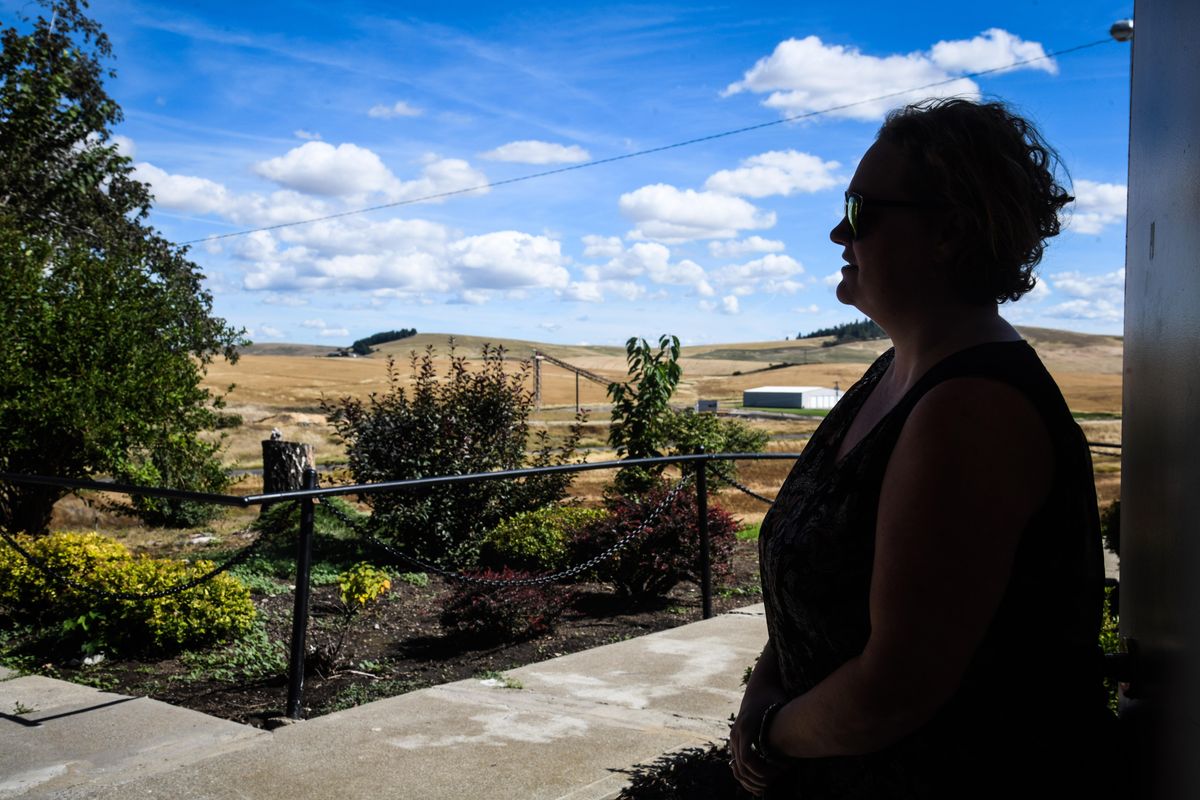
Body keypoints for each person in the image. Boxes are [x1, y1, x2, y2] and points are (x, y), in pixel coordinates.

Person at [729, 98, 1112, 798]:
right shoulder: (900, 370)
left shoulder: (971, 409)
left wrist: (767, 734)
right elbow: (824, 595)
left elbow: (896, 688)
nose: (838, 231)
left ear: (950, 232)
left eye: (861, 208)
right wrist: (765, 688)